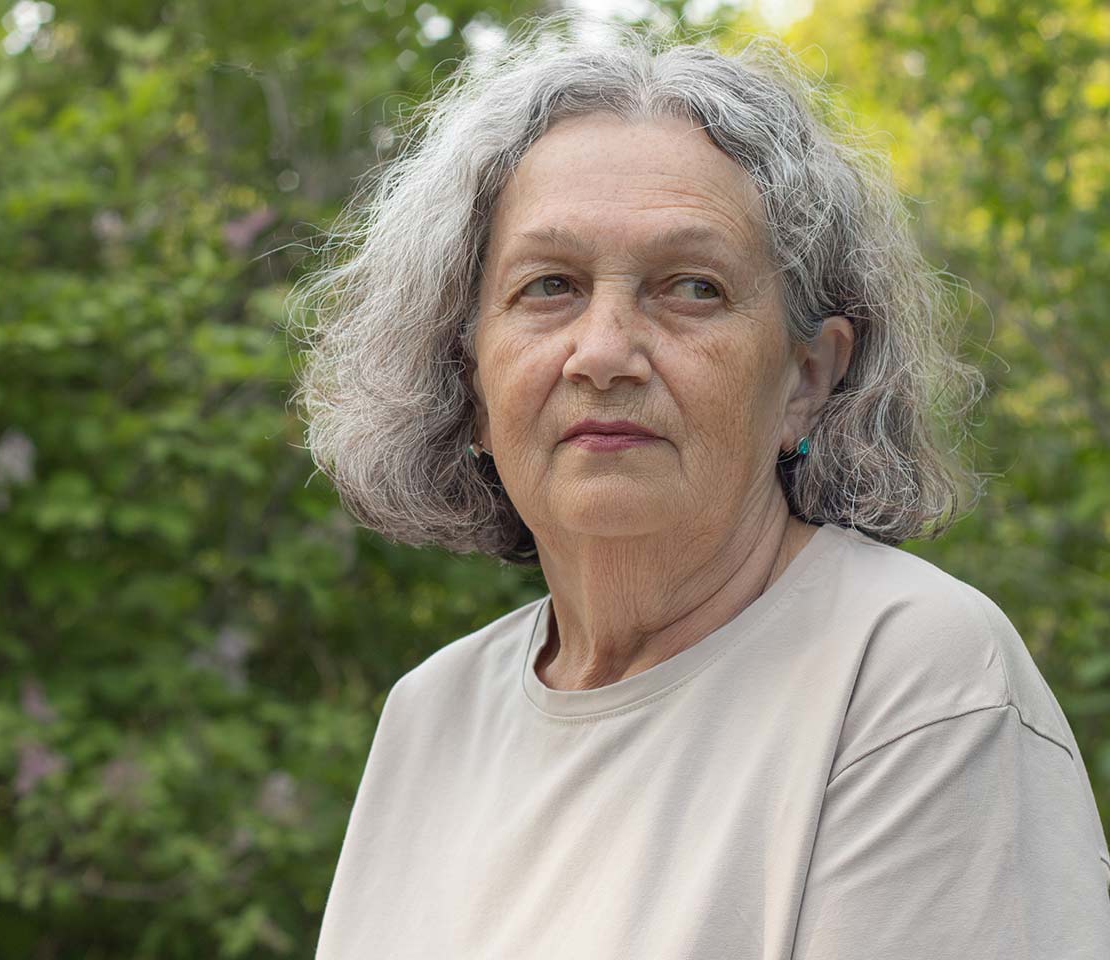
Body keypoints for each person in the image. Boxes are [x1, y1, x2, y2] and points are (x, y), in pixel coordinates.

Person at [287, 17, 1110, 959]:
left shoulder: (911, 675)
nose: (603, 354)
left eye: (692, 288)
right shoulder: (432, 715)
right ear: (467, 377)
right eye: (550, 285)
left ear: (807, 379)